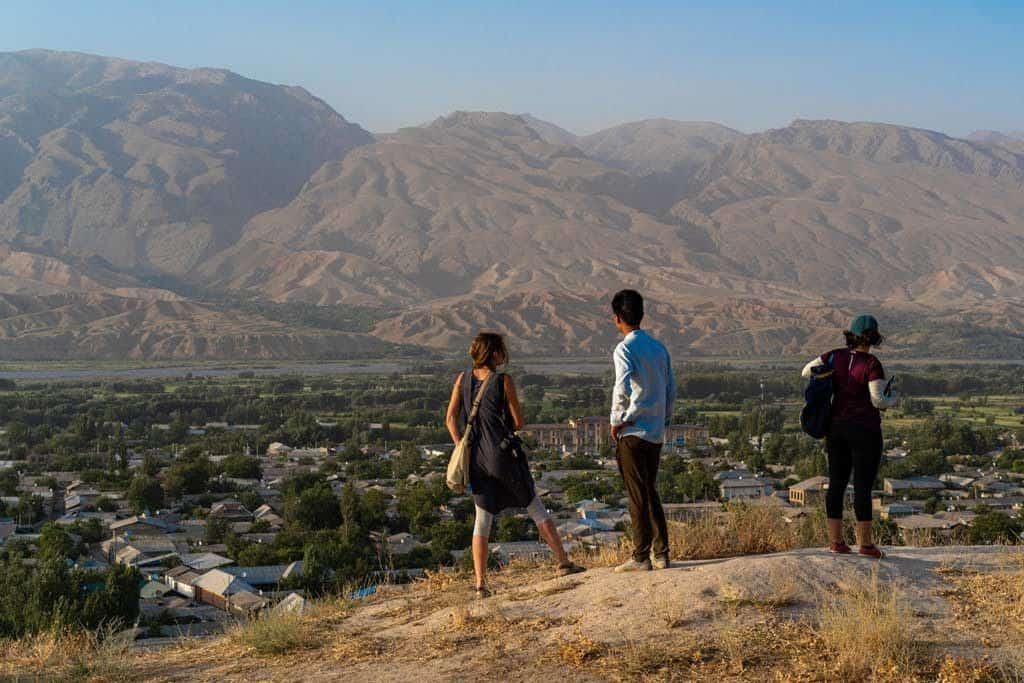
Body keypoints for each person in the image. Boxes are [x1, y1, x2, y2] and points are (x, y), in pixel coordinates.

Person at [445, 332, 584, 598]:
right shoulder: (502, 381)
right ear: (494, 353)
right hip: (503, 457)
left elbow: (450, 418)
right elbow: (519, 422)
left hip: (476, 459)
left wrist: (460, 444)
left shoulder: (462, 379)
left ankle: (480, 584)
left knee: (482, 520)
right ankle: (563, 563)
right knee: (535, 507)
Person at [802, 314, 898, 559]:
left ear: (851, 335)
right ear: (874, 336)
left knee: (836, 483)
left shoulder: (834, 356)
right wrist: (893, 399)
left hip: (835, 429)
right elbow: (877, 400)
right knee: (863, 487)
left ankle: (837, 542)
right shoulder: (871, 363)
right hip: (865, 430)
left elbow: (806, 371)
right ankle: (865, 545)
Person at [608, 290, 676, 572]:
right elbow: (670, 388)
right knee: (649, 490)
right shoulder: (659, 348)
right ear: (641, 315)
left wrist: (616, 419)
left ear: (617, 318)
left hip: (633, 430)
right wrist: (664, 419)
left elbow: (621, 386)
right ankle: (661, 553)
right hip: (656, 432)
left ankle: (640, 557)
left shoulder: (625, 349)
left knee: (637, 494)